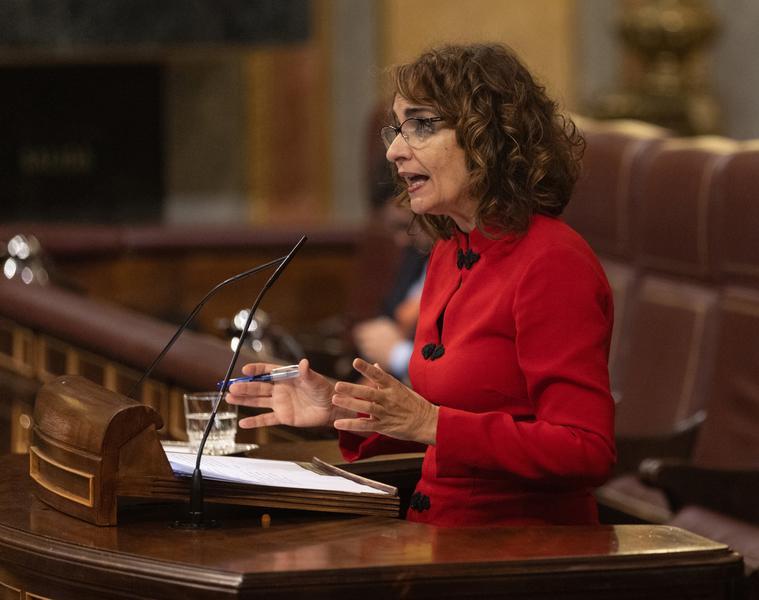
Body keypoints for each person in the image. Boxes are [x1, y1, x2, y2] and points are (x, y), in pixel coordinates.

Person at [227, 43, 616, 527]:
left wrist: (430, 423)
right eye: (396, 128)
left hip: (517, 548)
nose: (394, 150)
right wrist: (340, 407)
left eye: (422, 125)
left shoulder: (553, 262)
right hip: (434, 536)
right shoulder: (451, 250)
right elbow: (439, 423)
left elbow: (585, 449)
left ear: (490, 137)